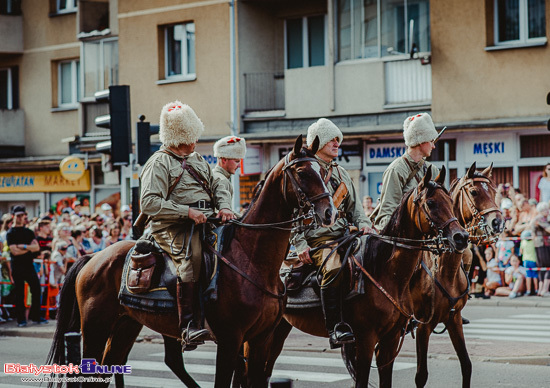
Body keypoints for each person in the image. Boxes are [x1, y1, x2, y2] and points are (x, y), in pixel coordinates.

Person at [139, 101, 235, 347]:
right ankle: (188, 326)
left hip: (207, 220)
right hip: (171, 226)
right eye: (191, 136)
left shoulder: (197, 159)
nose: (195, 141)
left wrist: (224, 206)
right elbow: (149, 203)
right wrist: (187, 212)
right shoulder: (158, 162)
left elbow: (216, 185)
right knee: (190, 259)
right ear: (179, 137)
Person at [290, 118, 374, 349]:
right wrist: (299, 245)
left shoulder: (342, 173)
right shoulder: (306, 171)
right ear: (319, 143)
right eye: (331, 139)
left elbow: (356, 209)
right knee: (334, 267)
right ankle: (335, 326)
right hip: (319, 240)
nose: (337, 143)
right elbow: (292, 213)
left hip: (347, 236)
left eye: (338, 139)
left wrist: (366, 224)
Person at [371, 113, 440, 231]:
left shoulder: (433, 170)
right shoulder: (396, 169)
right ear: (421, 140)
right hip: (404, 236)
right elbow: (387, 212)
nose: (433, 146)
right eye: (431, 141)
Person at [5, 205, 47, 327]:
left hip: (29, 265)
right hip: (17, 266)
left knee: (36, 289)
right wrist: (29, 249)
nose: (21, 217)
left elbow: (36, 247)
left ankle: (36, 316)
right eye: (18, 215)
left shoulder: (28, 232)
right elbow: (14, 251)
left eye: (22, 215)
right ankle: (21, 319)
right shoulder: (10, 233)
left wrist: (23, 246)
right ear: (14, 216)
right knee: (20, 294)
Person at [213, 135, 247, 213]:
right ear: (224, 160)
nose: (239, 166)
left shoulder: (215, 175)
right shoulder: (222, 180)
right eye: (237, 161)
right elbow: (222, 215)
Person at [531, 202, 550, 296]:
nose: (547, 211)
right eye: (545, 209)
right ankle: (544, 289)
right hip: (542, 245)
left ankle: (541, 289)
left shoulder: (542, 218)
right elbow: (548, 229)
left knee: (542, 267)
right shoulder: (540, 219)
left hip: (540, 245)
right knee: (547, 267)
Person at [519, 229, 538, 296]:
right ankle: (536, 290)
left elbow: (521, 252)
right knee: (535, 276)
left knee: (528, 276)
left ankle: (528, 290)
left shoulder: (523, 242)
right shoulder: (533, 242)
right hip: (533, 260)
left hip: (525, 260)